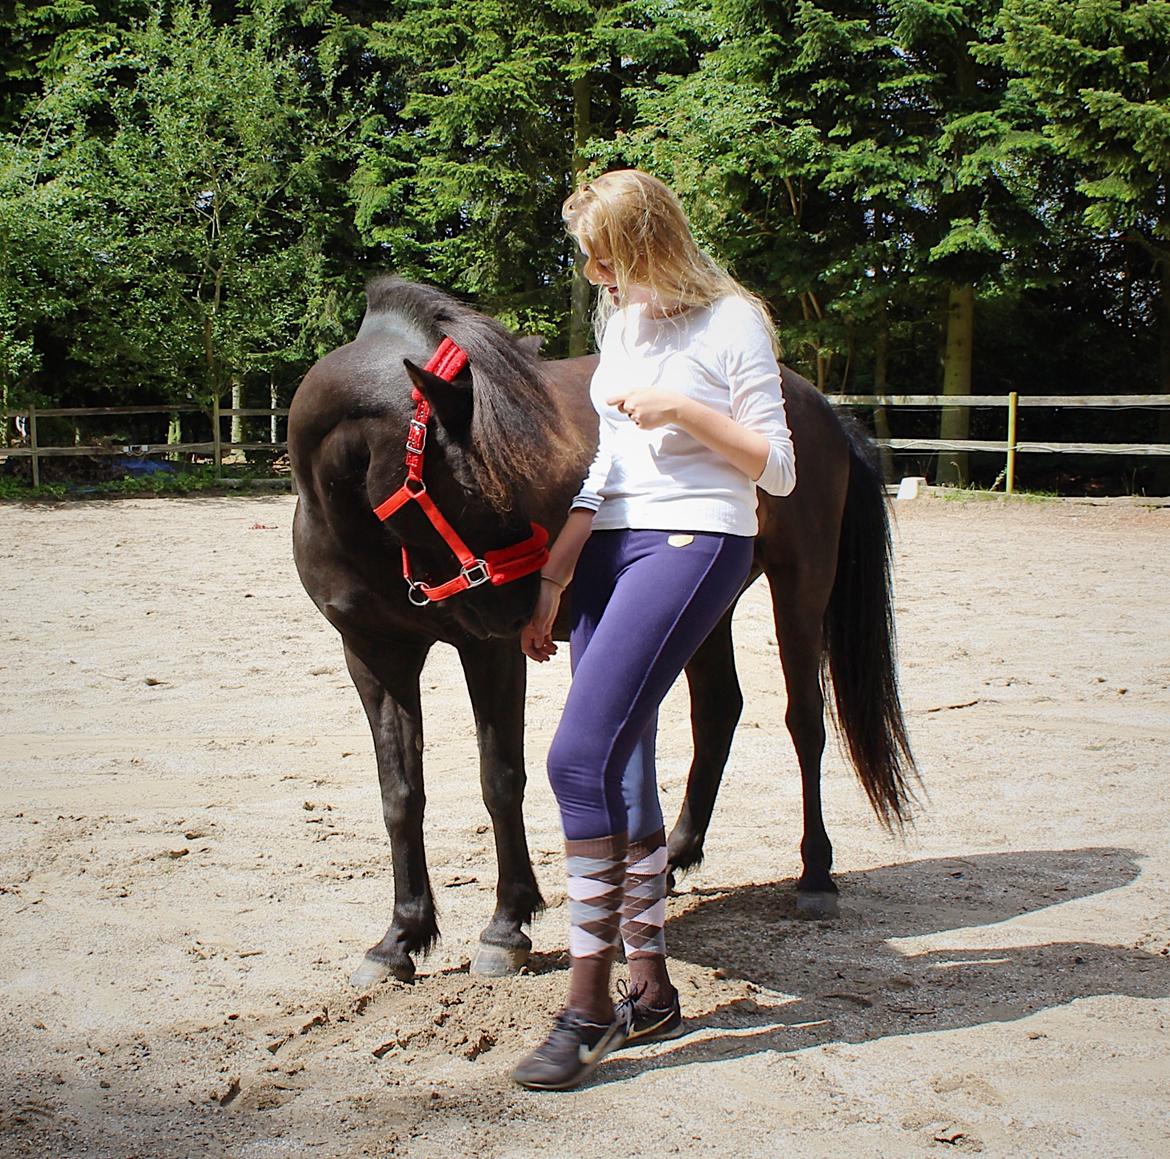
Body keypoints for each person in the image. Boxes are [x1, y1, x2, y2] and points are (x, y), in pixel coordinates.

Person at [512, 168, 797, 1091]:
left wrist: (686, 411)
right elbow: (608, 462)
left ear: (646, 247)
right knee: (622, 765)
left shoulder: (734, 322)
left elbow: (779, 469)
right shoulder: (621, 320)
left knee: (575, 759)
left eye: (605, 261)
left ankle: (588, 1008)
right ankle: (650, 987)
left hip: (697, 537)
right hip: (610, 544)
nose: (597, 278)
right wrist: (556, 571)